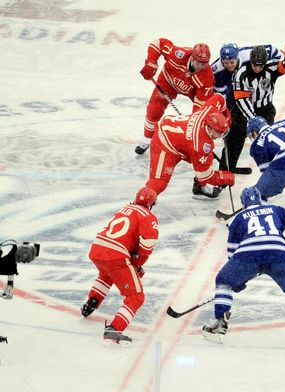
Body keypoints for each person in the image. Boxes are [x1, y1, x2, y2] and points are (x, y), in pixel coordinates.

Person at [202, 186, 285, 349]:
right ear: (261, 199)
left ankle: (220, 325)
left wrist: (238, 279)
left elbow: (232, 253)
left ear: (243, 203)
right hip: (280, 255)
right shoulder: (276, 210)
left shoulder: (238, 218)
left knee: (223, 282)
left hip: (248, 255)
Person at [81, 186, 159, 345]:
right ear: (152, 204)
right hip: (116, 255)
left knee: (107, 273)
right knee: (136, 296)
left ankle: (91, 302)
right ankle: (115, 329)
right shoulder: (148, 216)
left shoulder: (125, 209)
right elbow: (146, 247)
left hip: (97, 248)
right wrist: (137, 264)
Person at [210, 43, 284, 175]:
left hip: (263, 106)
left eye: (231, 62)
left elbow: (273, 50)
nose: (229, 65)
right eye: (225, 62)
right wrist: (226, 113)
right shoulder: (216, 69)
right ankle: (226, 169)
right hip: (238, 102)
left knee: (265, 138)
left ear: (237, 57)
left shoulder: (248, 56)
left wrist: (275, 62)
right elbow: (217, 94)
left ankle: (273, 171)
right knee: (234, 136)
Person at [145, 92, 236, 199]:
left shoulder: (210, 111)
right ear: (210, 128)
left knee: (206, 159)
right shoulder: (200, 145)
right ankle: (141, 203)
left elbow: (219, 98)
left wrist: (227, 118)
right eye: (219, 132)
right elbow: (205, 176)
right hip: (164, 143)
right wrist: (224, 178)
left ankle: (199, 187)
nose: (221, 136)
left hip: (180, 137)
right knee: (159, 182)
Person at [136, 38, 215, 155]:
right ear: (192, 58)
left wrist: (193, 123)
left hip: (191, 90)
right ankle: (146, 140)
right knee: (154, 109)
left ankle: (198, 143)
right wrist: (151, 63)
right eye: (198, 63)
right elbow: (158, 43)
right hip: (168, 82)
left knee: (202, 116)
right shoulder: (178, 54)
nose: (200, 67)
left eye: (204, 64)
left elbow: (201, 105)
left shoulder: (207, 77)